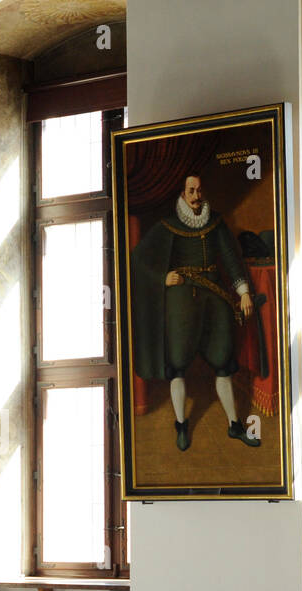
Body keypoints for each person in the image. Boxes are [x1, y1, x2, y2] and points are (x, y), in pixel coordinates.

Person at [129, 173, 261, 451]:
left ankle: (234, 425)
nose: (197, 196)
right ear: (183, 194)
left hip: (215, 296)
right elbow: (138, 261)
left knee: (223, 359)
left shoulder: (216, 222)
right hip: (181, 301)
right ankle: (181, 425)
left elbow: (231, 258)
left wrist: (244, 292)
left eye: (200, 190)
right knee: (178, 365)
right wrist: (162, 278)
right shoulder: (167, 226)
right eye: (191, 191)